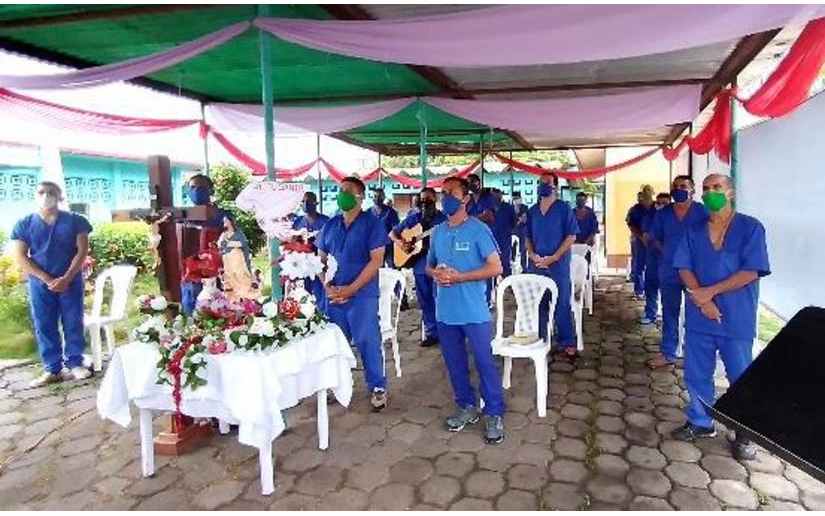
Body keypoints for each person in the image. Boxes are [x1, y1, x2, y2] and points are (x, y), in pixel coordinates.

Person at [671, 174, 769, 461]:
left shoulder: (751, 228)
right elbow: (683, 266)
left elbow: (752, 270)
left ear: (731, 192)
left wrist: (709, 293)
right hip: (701, 316)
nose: (710, 193)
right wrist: (702, 300)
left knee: (740, 375)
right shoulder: (695, 230)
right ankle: (701, 422)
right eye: (706, 189)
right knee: (696, 371)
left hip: (736, 316)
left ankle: (744, 432)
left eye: (717, 188)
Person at [426, 176, 506, 444]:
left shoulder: (478, 230)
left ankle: (494, 413)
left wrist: (460, 277)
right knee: (455, 364)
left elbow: (496, 267)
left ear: (466, 199)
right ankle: (466, 407)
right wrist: (435, 273)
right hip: (445, 312)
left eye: (451, 192)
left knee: (485, 363)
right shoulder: (438, 232)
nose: (445, 196)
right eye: (443, 192)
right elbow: (429, 266)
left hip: (474, 311)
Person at [12, 181, 93, 387]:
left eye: (51, 192)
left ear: (60, 197)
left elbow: (81, 251)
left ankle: (75, 362)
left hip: (70, 280)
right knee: (44, 324)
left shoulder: (76, 221)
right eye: (42, 192)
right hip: (40, 283)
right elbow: (20, 256)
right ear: (35, 195)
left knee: (73, 321)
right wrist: (47, 279)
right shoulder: (25, 223)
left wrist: (66, 278)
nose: (46, 196)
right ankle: (52, 368)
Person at [317, 177, 389, 411]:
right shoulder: (330, 224)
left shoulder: (372, 224)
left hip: (362, 295)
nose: (342, 195)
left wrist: (351, 289)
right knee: (334, 342)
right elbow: (320, 261)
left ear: (360, 197)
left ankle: (377, 386)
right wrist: (327, 286)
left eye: (347, 191)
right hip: (333, 294)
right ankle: (335, 384)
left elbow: (376, 261)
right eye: (340, 190)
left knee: (367, 340)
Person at [648, 175, 709, 368]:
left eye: (684, 186)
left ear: (693, 190)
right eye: (676, 187)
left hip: (696, 271)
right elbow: (654, 236)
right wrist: (664, 250)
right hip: (669, 269)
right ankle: (668, 352)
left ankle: (695, 355)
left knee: (697, 312)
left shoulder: (703, 212)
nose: (679, 189)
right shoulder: (664, 213)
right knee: (670, 311)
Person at [526, 172, 580, 359]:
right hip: (537, 265)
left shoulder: (564, 208)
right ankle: (541, 339)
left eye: (547, 183)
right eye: (540, 182)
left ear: (555, 186)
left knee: (561, 303)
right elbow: (528, 238)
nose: (543, 185)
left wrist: (555, 257)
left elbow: (571, 236)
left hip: (558, 265)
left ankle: (567, 341)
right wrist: (532, 255)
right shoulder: (532, 211)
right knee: (538, 303)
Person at [389, 187, 446, 348]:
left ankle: (445, 332)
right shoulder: (413, 218)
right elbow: (392, 234)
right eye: (421, 200)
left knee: (440, 299)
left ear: (435, 200)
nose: (424, 204)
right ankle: (431, 333)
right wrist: (401, 243)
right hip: (420, 265)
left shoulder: (443, 220)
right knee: (425, 300)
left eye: (427, 200)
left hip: (439, 264)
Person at [181, 174, 227, 315]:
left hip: (216, 273)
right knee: (191, 310)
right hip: (190, 273)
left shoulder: (222, 215)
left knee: (216, 311)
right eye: (192, 187)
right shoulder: (182, 216)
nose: (196, 191)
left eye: (201, 188)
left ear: (211, 191)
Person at [293, 192, 330, 309]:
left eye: (308, 202)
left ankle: (322, 316)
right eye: (303, 202)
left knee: (321, 294)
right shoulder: (297, 222)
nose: (305, 204)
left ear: (316, 203)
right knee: (303, 297)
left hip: (320, 265)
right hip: (303, 266)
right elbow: (292, 243)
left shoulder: (326, 222)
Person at [640, 192, 672, 325]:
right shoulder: (650, 217)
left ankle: (668, 317)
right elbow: (646, 236)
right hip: (653, 257)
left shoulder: (674, 218)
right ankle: (651, 313)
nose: (661, 206)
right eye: (659, 203)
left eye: (665, 203)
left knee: (669, 290)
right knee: (651, 285)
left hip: (670, 260)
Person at [218, 213, 258, 302]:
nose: (224, 223)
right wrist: (224, 243)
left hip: (237, 257)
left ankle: (244, 293)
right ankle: (234, 297)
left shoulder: (238, 233)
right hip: (228, 258)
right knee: (230, 276)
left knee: (240, 275)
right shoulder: (223, 234)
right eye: (224, 221)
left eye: (226, 220)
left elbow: (242, 243)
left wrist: (228, 244)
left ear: (231, 221)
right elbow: (220, 245)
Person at [626, 191, 655, 299]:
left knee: (653, 266)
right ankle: (639, 291)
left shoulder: (656, 207)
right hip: (639, 240)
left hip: (654, 241)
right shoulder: (635, 209)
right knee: (639, 265)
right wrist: (641, 237)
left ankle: (652, 291)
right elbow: (631, 224)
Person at [370, 187, 400, 269]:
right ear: (372, 198)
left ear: (383, 197)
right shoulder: (368, 212)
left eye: (379, 196)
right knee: (378, 269)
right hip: (375, 247)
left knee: (392, 268)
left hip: (389, 246)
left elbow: (396, 228)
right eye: (375, 196)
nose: (377, 198)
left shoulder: (391, 212)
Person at [490, 188, 517, 278]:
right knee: (490, 266)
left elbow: (514, 222)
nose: (495, 197)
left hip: (504, 240)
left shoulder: (508, 207)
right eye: (492, 195)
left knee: (505, 265)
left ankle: (508, 288)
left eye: (497, 194)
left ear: (501, 195)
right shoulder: (488, 208)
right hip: (490, 241)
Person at [512, 192, 529, 272]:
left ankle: (524, 267)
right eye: (514, 199)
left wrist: (518, 220)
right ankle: (512, 264)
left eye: (517, 198)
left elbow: (525, 219)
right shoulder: (511, 208)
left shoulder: (524, 207)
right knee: (513, 249)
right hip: (513, 231)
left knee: (523, 250)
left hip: (522, 231)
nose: (516, 200)